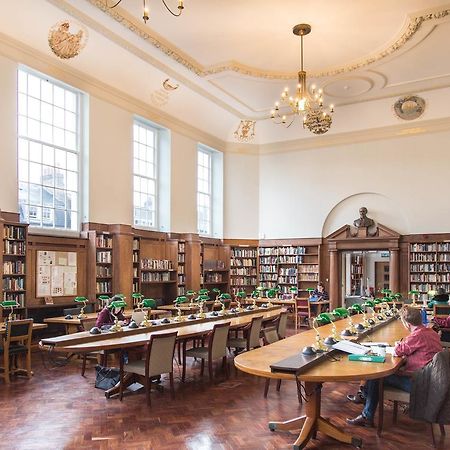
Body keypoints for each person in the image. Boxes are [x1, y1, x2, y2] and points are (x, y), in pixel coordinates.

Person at [346, 305, 442, 427]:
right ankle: (365, 397)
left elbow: (397, 351)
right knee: (378, 376)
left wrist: (399, 345)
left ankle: (367, 414)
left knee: (377, 376)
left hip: (420, 385)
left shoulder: (416, 335)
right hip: (432, 382)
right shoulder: (430, 332)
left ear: (406, 324)